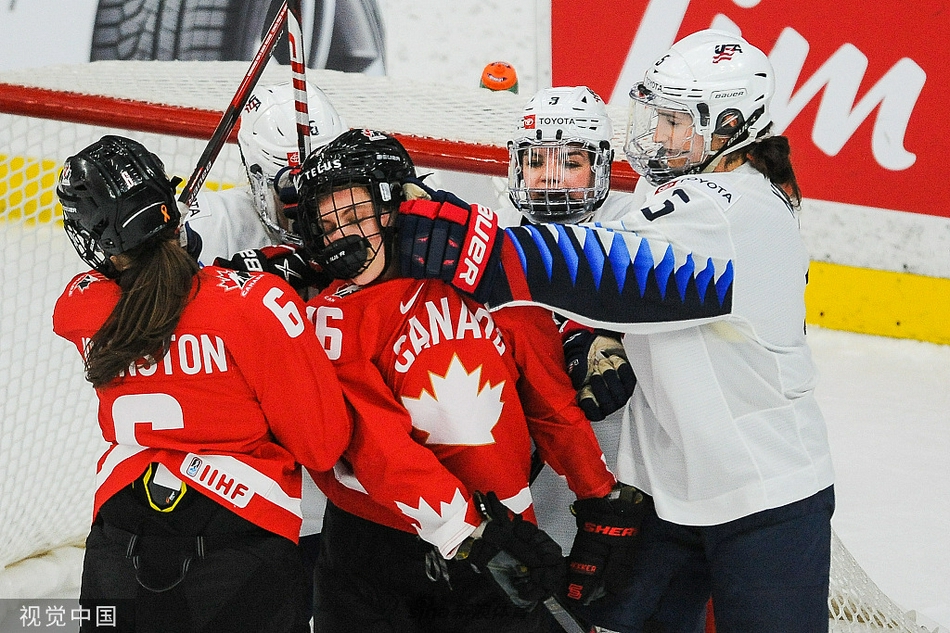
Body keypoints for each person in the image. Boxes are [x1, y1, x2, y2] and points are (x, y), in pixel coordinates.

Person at [397, 29, 835, 633]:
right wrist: (591, 335)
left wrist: (475, 245)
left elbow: (605, 270)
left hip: (763, 496)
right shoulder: (680, 191)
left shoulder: (736, 210)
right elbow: (626, 299)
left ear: (730, 125)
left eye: (675, 121)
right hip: (667, 493)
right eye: (655, 116)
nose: (656, 135)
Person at [292, 128, 641, 632]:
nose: (341, 237)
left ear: (399, 203)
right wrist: (471, 533)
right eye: (328, 225)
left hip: (496, 531)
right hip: (375, 550)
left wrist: (599, 492)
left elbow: (549, 399)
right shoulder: (332, 316)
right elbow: (378, 446)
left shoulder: (488, 277)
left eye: (353, 215)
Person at [52, 134, 352, 632]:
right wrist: (258, 278)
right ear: (169, 208)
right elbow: (322, 447)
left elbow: (156, 293)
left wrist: (214, 266)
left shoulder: (81, 310)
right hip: (239, 549)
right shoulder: (255, 304)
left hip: (120, 546)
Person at [502, 85, 640, 554]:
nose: (550, 179)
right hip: (528, 461)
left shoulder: (639, 234)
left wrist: (619, 336)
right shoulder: (495, 238)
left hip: (615, 463)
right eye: (536, 161)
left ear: (601, 166)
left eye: (571, 163)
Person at [187, 79, 346, 266]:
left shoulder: (365, 224)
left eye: (328, 184)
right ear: (257, 180)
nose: (310, 202)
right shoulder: (209, 225)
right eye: (291, 184)